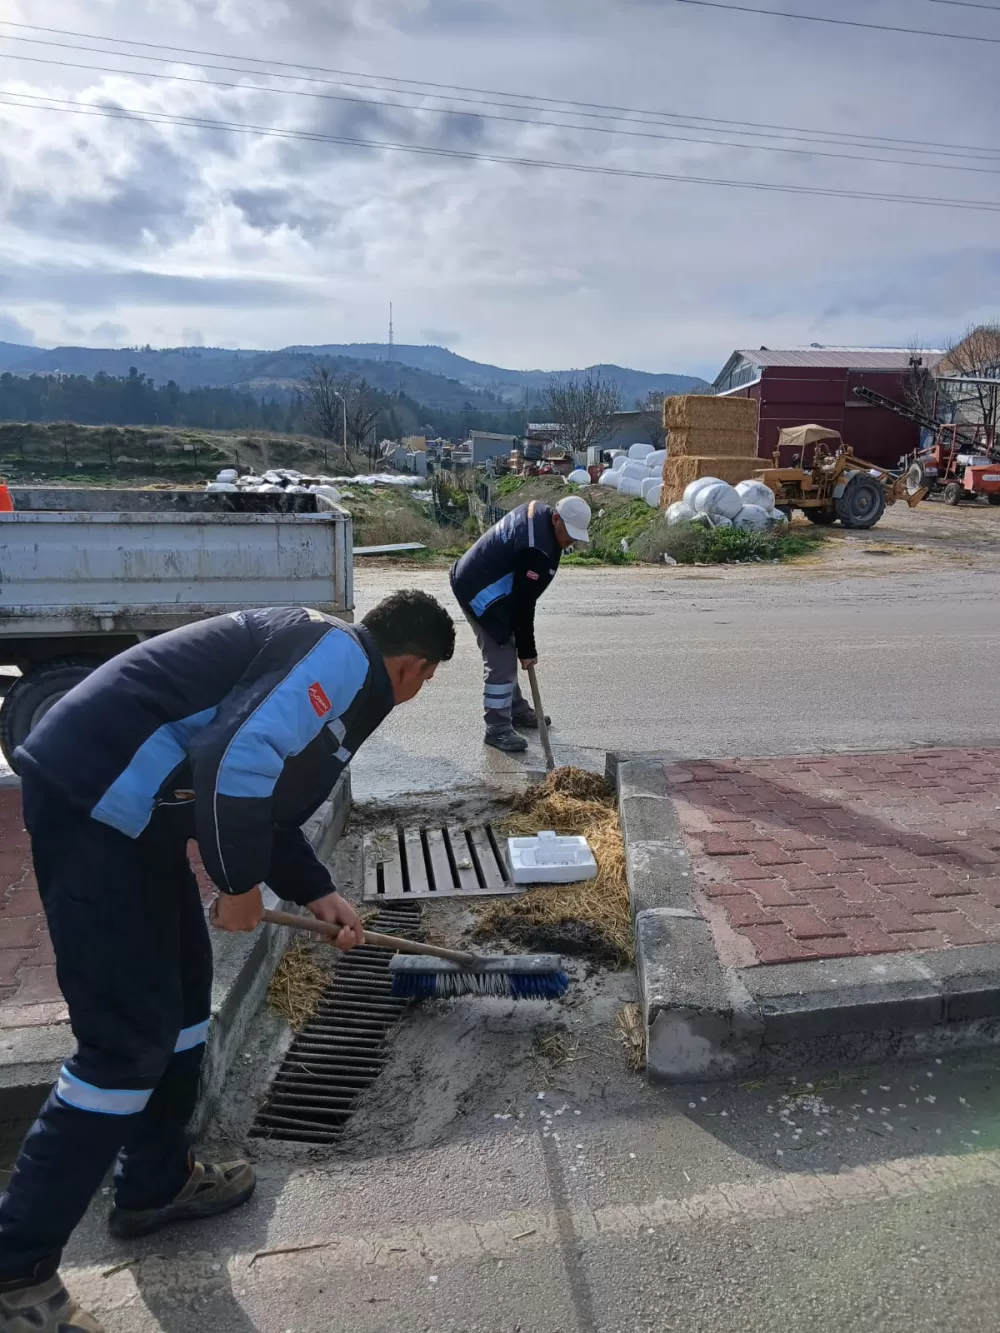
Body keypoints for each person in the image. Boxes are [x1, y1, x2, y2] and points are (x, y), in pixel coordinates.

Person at [0, 591, 455, 1333]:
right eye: (423, 683)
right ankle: (15, 1267)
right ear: (413, 668)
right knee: (122, 1047)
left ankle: (154, 1183)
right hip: (95, 805)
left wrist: (317, 893)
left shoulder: (328, 656)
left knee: (182, 1006)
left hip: (135, 817)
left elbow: (264, 796)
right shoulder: (339, 657)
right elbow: (233, 758)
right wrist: (240, 885)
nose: (412, 695)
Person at [450, 494, 591, 753]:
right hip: (480, 590)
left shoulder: (539, 512)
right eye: (569, 533)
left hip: (482, 575)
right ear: (557, 518)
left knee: (510, 644)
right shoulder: (535, 550)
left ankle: (515, 709)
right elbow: (524, 603)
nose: (571, 541)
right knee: (501, 658)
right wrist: (528, 650)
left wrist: (521, 641)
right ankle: (497, 728)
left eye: (576, 536)